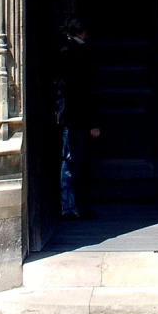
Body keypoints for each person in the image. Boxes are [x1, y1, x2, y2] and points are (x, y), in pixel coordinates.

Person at [55, 17, 100, 219]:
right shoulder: (77, 53)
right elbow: (83, 91)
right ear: (83, 31)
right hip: (76, 118)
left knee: (71, 161)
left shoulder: (65, 51)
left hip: (68, 116)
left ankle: (71, 206)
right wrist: (93, 123)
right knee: (72, 161)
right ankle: (70, 207)